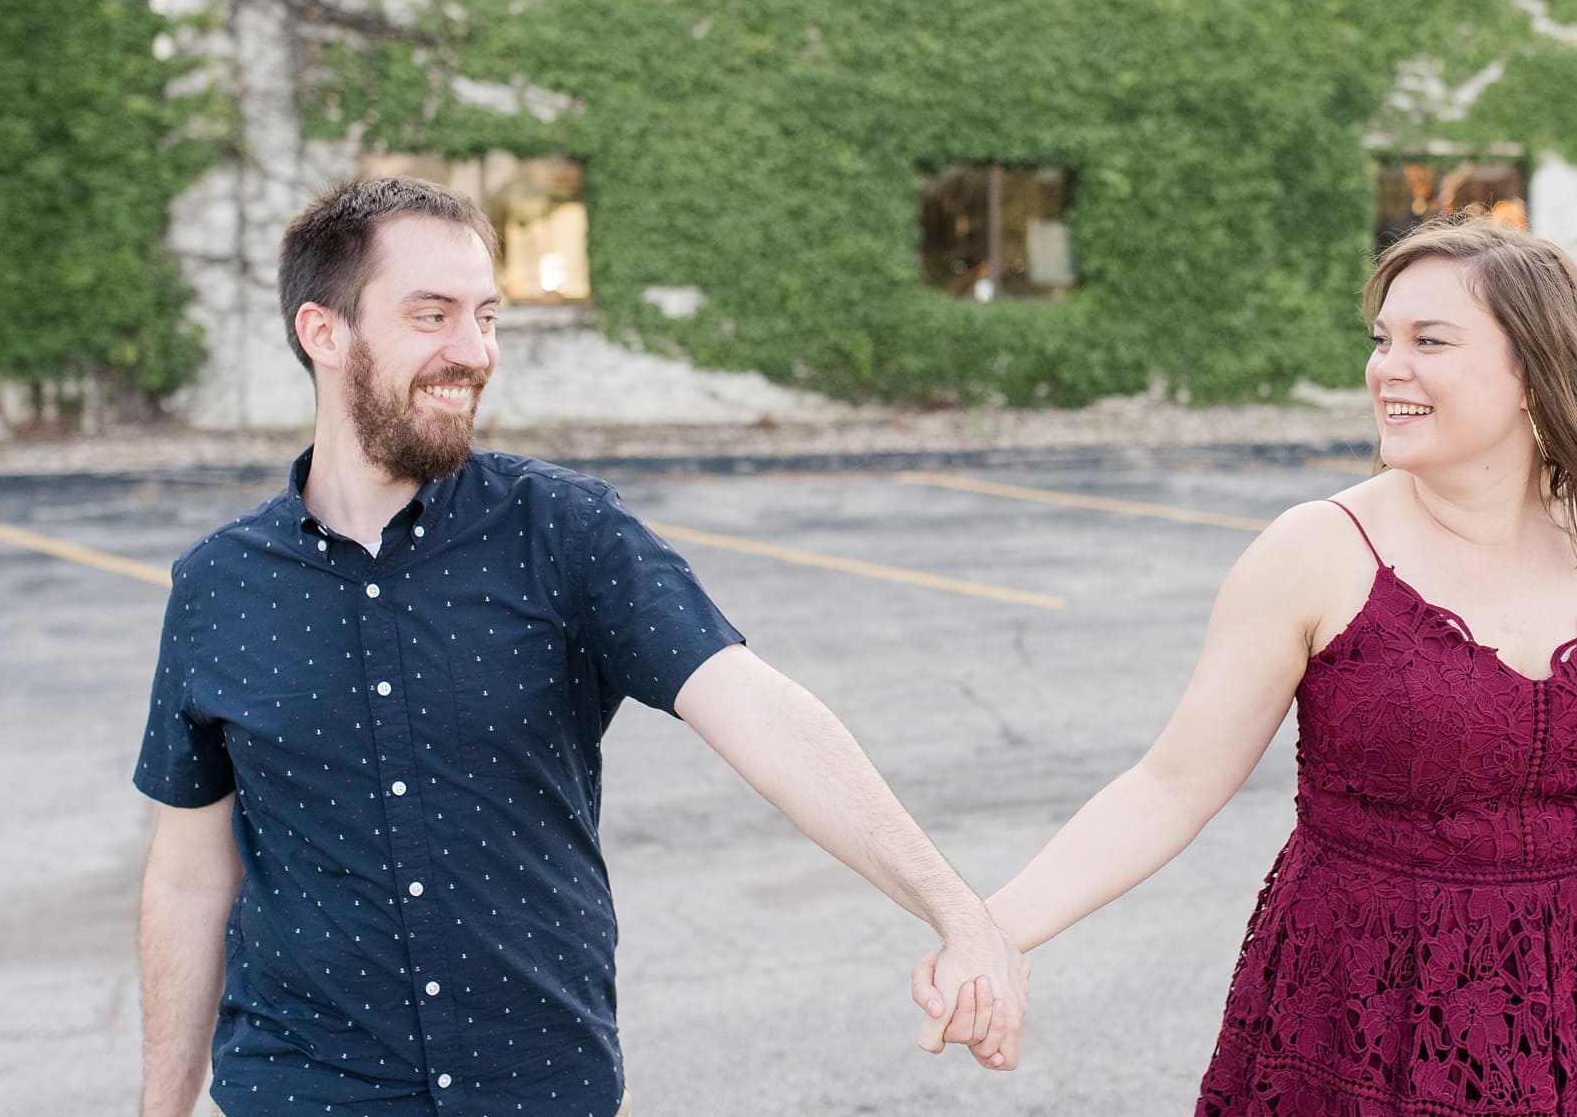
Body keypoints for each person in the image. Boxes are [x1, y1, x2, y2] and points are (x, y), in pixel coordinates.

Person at [913, 216, 1577, 1113]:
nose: (1388, 367)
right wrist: (990, 927)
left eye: (1429, 341)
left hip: (1566, 1001)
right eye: (1381, 339)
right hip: (1350, 1007)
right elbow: (1168, 785)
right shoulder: (1315, 548)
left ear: (1535, 372)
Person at [133, 177, 1025, 1117]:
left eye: (486, 317)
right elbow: (190, 876)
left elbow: (759, 710)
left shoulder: (564, 531)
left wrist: (958, 913)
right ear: (323, 332)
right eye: (431, 315)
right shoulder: (218, 586)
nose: (471, 353)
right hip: (299, 1094)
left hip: (541, 1090)